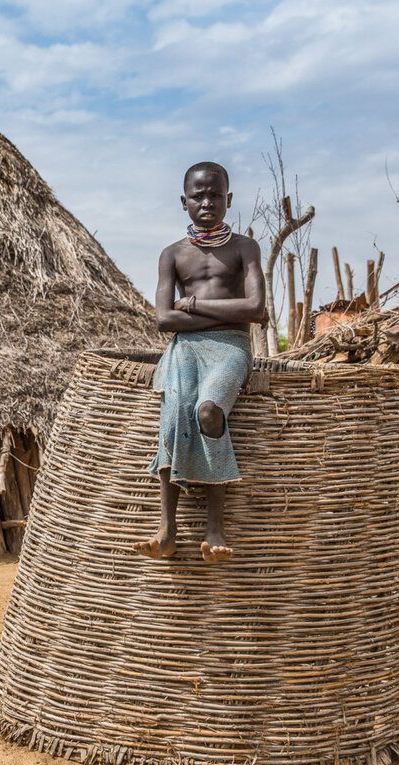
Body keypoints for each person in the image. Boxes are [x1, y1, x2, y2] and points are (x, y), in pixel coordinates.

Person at [134, 161, 267, 561]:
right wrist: (229, 308)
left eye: (215, 195)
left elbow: (257, 309)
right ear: (184, 201)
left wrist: (194, 304)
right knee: (175, 415)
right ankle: (167, 528)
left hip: (231, 346)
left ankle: (215, 525)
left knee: (208, 410)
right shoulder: (172, 254)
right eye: (198, 196)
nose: (207, 202)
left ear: (228, 199)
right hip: (185, 348)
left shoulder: (245, 247)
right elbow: (164, 319)